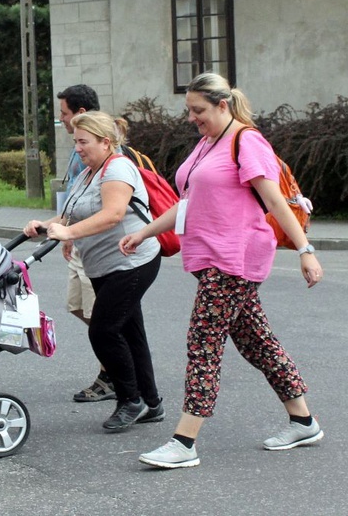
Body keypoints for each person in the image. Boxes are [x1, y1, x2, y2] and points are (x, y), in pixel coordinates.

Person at [119, 72, 324, 469]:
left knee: (203, 342)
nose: (193, 117)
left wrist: (305, 250)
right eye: (189, 111)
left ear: (222, 105)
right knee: (256, 341)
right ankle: (303, 420)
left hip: (236, 259)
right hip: (209, 257)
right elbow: (188, 203)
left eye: (199, 110)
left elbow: (277, 202)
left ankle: (184, 441)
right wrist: (145, 232)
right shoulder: (206, 145)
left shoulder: (247, 141)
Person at [24, 110, 164, 432]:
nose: (78, 148)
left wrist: (70, 234)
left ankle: (131, 399)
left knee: (103, 330)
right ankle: (151, 402)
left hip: (132, 261)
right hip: (104, 265)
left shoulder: (118, 168)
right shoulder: (88, 172)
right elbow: (69, 215)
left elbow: (114, 214)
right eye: (75, 142)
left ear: (106, 141)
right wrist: (46, 226)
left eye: (83, 142)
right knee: (131, 332)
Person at [56, 84, 117, 404]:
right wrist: (65, 230)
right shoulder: (81, 147)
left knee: (104, 318)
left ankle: (114, 374)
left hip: (99, 246)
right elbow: (76, 197)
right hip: (79, 240)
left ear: (80, 113)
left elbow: (110, 209)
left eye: (64, 114)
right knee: (78, 306)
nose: (61, 120)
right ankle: (117, 364)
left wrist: (72, 233)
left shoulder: (103, 153)